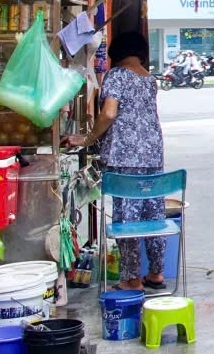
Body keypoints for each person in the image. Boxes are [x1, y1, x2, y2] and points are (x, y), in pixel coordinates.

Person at [62, 31, 168, 291]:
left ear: (116, 52)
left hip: (125, 156)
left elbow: (109, 113)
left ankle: (131, 279)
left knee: (127, 220)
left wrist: (87, 139)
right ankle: (156, 273)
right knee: (153, 215)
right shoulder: (149, 79)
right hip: (153, 155)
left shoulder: (117, 75)